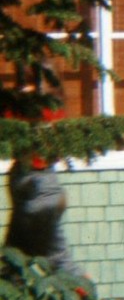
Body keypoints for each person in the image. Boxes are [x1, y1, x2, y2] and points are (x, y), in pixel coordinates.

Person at [4, 91, 76, 273]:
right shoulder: (19, 104)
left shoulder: (45, 107)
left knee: (59, 261)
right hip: (27, 182)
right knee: (14, 259)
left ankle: (84, 290)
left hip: (40, 184)